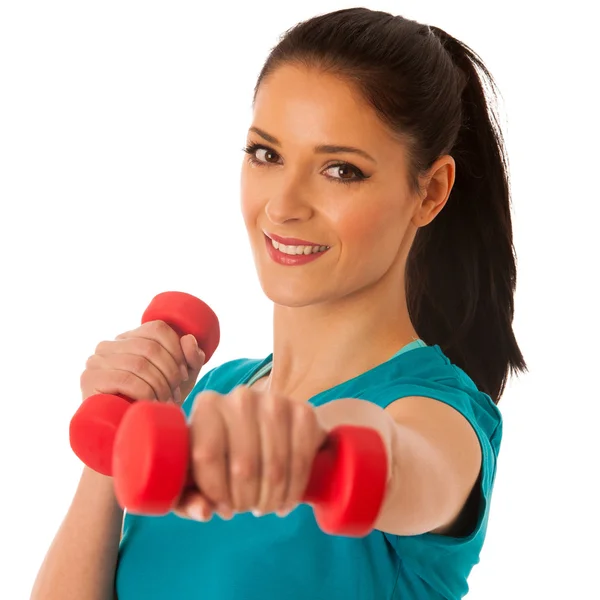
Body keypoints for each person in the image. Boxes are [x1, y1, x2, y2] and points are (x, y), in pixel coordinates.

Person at [31, 7, 526, 600]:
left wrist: (309, 448)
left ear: (431, 192)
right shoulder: (212, 396)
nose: (283, 206)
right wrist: (118, 435)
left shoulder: (439, 416)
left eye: (341, 170)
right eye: (267, 155)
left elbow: (397, 461)